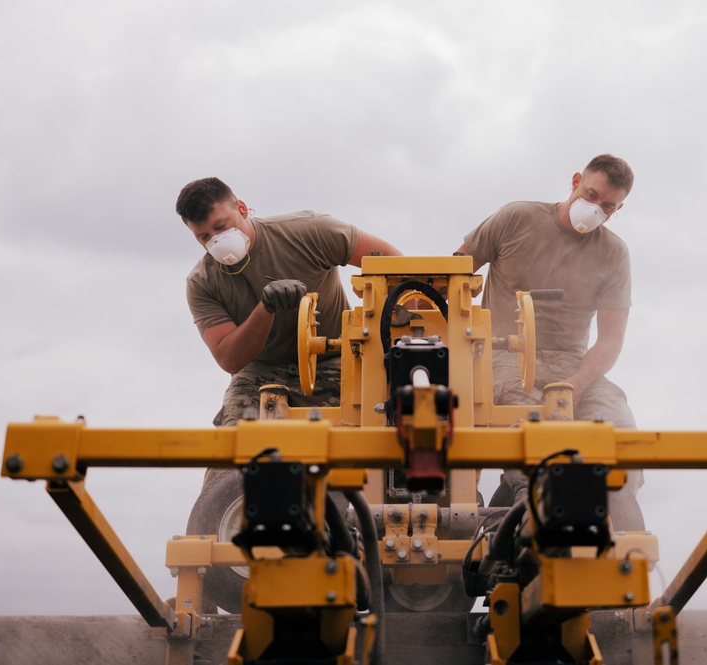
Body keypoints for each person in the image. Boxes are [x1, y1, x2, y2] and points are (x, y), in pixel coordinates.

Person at [457, 154, 644, 531]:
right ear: (576, 181)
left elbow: (610, 340)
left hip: (573, 368)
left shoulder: (614, 254)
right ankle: (525, 518)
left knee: (620, 436)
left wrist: (575, 385)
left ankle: (628, 544)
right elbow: (458, 268)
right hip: (502, 357)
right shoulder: (517, 218)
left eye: (608, 206)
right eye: (591, 195)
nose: (595, 209)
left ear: (618, 208)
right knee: (536, 431)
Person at [176, 177, 401, 459]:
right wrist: (266, 308)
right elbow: (229, 359)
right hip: (260, 373)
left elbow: (393, 265)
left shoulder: (311, 231)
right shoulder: (202, 283)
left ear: (242, 209)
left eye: (220, 227)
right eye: (204, 237)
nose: (216, 240)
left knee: (392, 437)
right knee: (232, 451)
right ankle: (237, 500)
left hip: (340, 361)